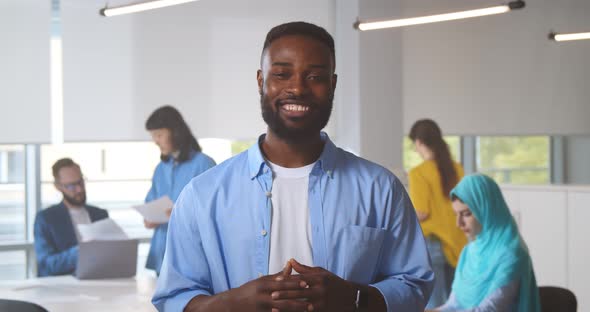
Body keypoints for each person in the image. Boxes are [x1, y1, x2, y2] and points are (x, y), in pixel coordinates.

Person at [152, 21, 433, 312]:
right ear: (261, 81)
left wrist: (353, 297)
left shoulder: (381, 189)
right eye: (282, 74)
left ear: (333, 84)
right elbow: (173, 298)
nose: (297, 88)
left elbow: (415, 284)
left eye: (314, 76)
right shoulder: (201, 195)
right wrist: (231, 303)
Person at [429, 174, 541, 311]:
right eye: (456, 214)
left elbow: (490, 309)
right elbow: (454, 305)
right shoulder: (469, 252)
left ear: (487, 210)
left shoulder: (511, 254)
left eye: (466, 214)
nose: (459, 224)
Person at [143, 105, 216, 275]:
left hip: (192, 257)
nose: (156, 141)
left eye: (159, 135)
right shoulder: (161, 169)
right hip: (163, 256)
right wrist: (150, 217)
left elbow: (215, 210)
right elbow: (151, 203)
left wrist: (178, 213)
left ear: (175, 132)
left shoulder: (204, 164)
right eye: (153, 136)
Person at [408, 119, 467, 308]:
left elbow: (422, 213)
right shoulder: (457, 168)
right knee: (456, 301)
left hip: (432, 243)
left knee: (434, 303)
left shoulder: (418, 172)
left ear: (418, 142)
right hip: (458, 240)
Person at [34, 158, 109, 277]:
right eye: (71, 186)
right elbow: (45, 265)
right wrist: (80, 252)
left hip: (101, 282)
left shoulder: (100, 214)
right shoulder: (46, 218)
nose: (79, 189)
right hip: (64, 288)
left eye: (80, 182)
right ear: (58, 187)